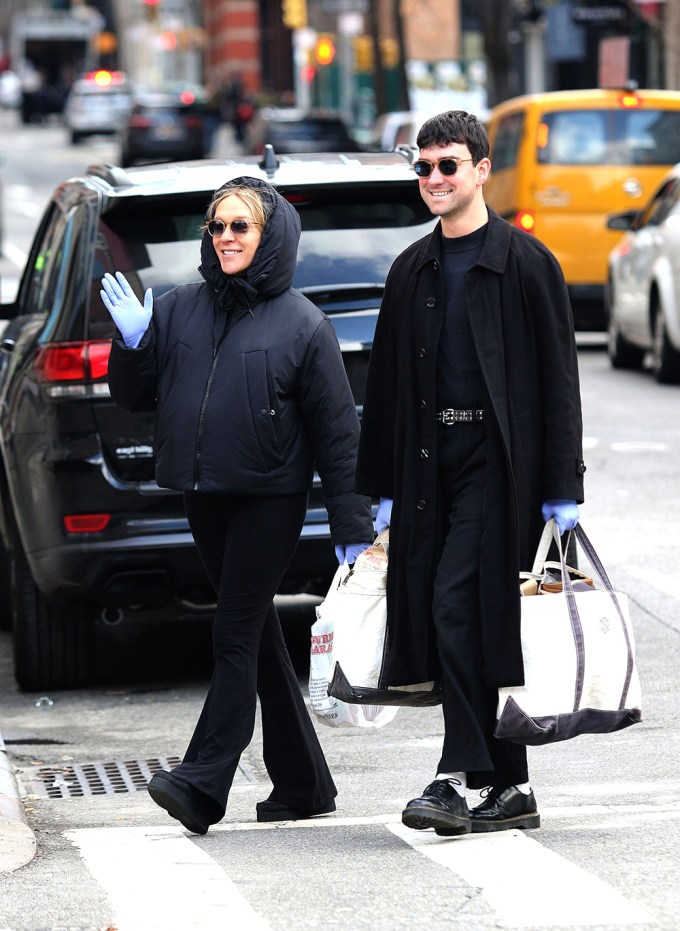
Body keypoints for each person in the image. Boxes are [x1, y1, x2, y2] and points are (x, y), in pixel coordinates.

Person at [101, 176, 374, 835]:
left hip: (268, 499)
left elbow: (339, 432)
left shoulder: (303, 324)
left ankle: (202, 781)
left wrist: (352, 522)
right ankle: (303, 782)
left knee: (232, 631)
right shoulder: (177, 309)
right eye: (217, 226)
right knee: (256, 638)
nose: (226, 236)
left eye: (240, 226)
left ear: (268, 235)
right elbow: (135, 397)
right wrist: (134, 343)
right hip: (205, 495)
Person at [355, 110, 586, 837]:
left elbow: (558, 379)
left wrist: (562, 488)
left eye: (446, 166)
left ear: (482, 169)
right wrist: (378, 490)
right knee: (462, 617)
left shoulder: (525, 261)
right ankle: (510, 786)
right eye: (422, 168)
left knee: (458, 606)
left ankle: (455, 776)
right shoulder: (410, 269)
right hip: (428, 467)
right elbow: (387, 386)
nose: (432, 180)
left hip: (499, 465)